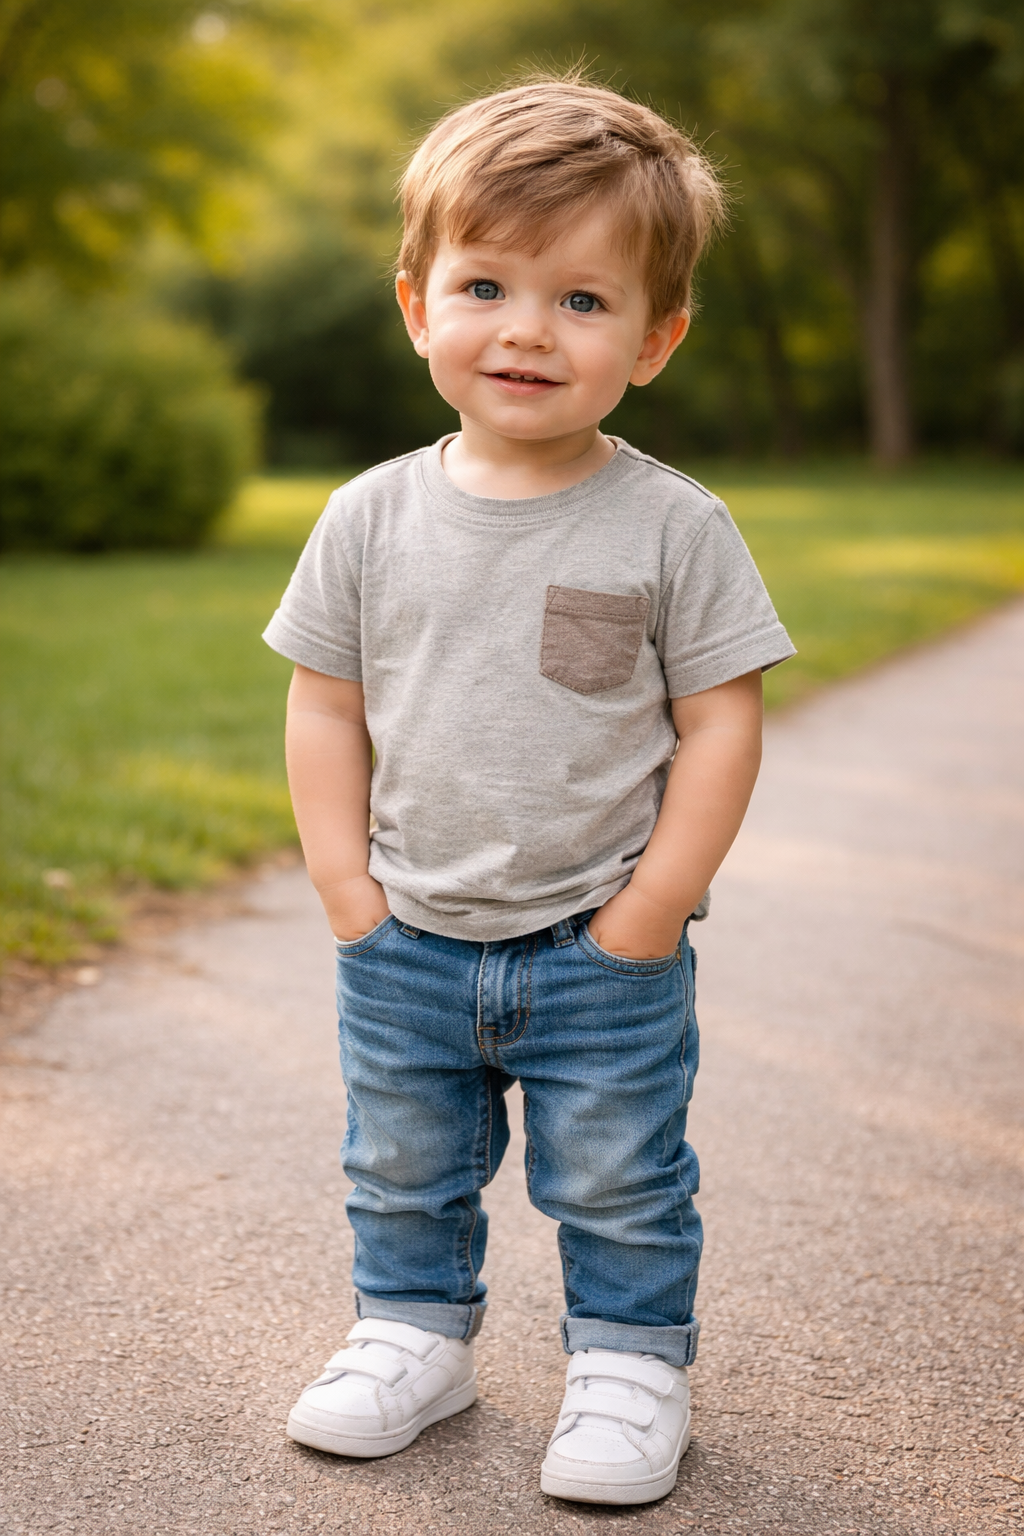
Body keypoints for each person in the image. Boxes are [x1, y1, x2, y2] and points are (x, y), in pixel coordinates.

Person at [263, 76, 794, 1507]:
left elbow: (722, 720)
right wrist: (344, 888)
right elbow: (325, 698)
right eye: (486, 283)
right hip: (407, 931)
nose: (525, 329)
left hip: (595, 939)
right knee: (400, 1164)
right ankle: (411, 1336)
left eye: (581, 300)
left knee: (618, 1171)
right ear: (415, 303)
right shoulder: (369, 514)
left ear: (656, 337)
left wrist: (653, 909)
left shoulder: (673, 523)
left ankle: (630, 1364)